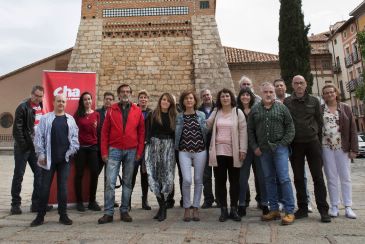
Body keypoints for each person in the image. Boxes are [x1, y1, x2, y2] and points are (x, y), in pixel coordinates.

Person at [284, 75, 331, 223]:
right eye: (296, 83)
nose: (299, 85)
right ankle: (303, 208)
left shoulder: (314, 101)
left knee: (318, 177)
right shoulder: (287, 102)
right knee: (298, 178)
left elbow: (319, 121)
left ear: (306, 84)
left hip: (312, 143)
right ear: (292, 85)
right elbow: (286, 122)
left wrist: (315, 135)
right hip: (295, 144)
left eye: (301, 83)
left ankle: (323, 210)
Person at [248, 82, 296, 225]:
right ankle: (274, 209)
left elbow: (290, 127)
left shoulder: (282, 108)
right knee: (268, 179)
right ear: (261, 93)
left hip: (280, 149)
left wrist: (283, 143)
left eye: (271, 92)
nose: (268, 94)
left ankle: (289, 211)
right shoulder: (255, 110)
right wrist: (255, 146)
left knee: (284, 178)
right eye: (266, 92)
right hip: (263, 150)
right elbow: (250, 130)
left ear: (274, 93)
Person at [98, 84, 145, 224]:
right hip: (114, 150)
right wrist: (104, 152)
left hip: (131, 150)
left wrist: (139, 151)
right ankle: (108, 212)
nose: (125, 94)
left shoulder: (137, 111)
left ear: (131, 94)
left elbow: (142, 133)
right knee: (110, 182)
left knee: (127, 182)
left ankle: (124, 210)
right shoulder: (111, 110)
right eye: (123, 92)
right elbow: (104, 133)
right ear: (118, 95)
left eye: (128, 91)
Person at [30, 94, 79, 226]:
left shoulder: (70, 119)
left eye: (63, 101)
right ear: (53, 102)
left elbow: (75, 139)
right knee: (44, 188)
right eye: (59, 101)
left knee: (62, 188)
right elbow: (38, 137)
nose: (61, 103)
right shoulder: (46, 118)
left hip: (64, 160)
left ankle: (63, 216)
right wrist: (41, 155)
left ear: (66, 103)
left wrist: (70, 152)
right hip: (48, 160)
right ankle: (40, 216)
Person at [206, 88, 247, 222]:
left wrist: (243, 150)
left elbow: (243, 132)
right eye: (222, 96)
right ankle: (223, 209)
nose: (225, 98)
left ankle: (234, 209)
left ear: (231, 98)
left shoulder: (237, 112)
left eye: (227, 96)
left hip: (234, 152)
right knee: (220, 182)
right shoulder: (216, 111)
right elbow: (207, 125)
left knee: (234, 182)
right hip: (218, 152)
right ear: (219, 99)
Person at [11, 85, 52, 214]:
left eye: (41, 96)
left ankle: (36, 204)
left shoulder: (41, 107)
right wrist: (25, 146)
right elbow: (17, 130)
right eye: (36, 96)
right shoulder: (22, 107)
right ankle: (15, 204)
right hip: (23, 148)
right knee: (19, 175)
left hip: (36, 149)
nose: (38, 99)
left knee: (39, 175)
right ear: (31, 94)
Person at [273, 78, 313, 212]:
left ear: (286, 87)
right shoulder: (271, 102)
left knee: (300, 174)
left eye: (281, 85)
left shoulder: (292, 99)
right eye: (276, 86)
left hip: (296, 141)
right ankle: (283, 201)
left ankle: (306, 201)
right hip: (281, 143)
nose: (279, 88)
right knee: (281, 175)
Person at [321, 84, 358, 219]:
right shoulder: (320, 109)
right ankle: (334, 206)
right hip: (326, 147)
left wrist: (354, 149)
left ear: (336, 93)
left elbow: (353, 129)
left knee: (345, 177)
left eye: (331, 92)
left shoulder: (346, 108)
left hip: (342, 147)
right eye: (326, 93)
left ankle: (348, 207)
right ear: (323, 95)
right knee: (331, 177)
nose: (329, 94)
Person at [176, 90, 208, 221]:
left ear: (195, 101)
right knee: (187, 180)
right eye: (186, 99)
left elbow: (206, 131)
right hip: (184, 151)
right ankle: (186, 207)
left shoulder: (201, 115)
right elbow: (176, 134)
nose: (189, 100)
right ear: (183, 102)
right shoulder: (179, 117)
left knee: (198, 180)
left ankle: (195, 208)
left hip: (200, 151)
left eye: (191, 98)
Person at [145, 93, 177, 221]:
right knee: (154, 177)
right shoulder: (152, 114)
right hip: (154, 147)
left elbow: (176, 134)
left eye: (168, 101)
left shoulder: (175, 116)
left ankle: (163, 206)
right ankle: (162, 207)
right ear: (160, 101)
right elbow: (148, 132)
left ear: (171, 104)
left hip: (168, 148)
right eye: (163, 99)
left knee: (167, 178)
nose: (165, 102)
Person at [236, 87, 268, 217]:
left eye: (247, 95)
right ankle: (242, 204)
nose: (245, 97)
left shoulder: (257, 109)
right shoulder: (236, 111)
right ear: (239, 97)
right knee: (242, 178)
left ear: (251, 97)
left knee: (262, 177)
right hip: (243, 148)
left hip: (257, 148)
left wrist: (260, 146)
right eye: (243, 95)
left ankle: (264, 203)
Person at [74, 92, 101, 212]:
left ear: (92, 100)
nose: (88, 101)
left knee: (95, 173)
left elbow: (98, 131)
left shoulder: (96, 114)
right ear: (82, 102)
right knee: (79, 174)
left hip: (93, 148)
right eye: (85, 99)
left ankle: (92, 201)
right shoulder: (78, 115)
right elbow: (73, 131)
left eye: (89, 99)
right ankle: (79, 202)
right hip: (81, 148)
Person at [96, 92, 119, 207]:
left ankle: (110, 200)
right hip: (99, 149)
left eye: (110, 99)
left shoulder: (116, 113)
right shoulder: (97, 113)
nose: (108, 101)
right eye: (106, 99)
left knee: (110, 177)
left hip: (113, 149)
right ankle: (92, 200)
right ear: (103, 100)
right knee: (95, 174)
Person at [131, 90, 152, 210]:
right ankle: (127, 200)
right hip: (134, 147)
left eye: (145, 97)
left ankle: (145, 200)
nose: (143, 99)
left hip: (146, 148)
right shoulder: (133, 111)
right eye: (141, 97)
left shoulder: (151, 113)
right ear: (138, 100)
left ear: (148, 100)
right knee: (131, 174)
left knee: (145, 175)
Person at [198, 89, 219, 209]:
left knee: (218, 174)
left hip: (217, 145)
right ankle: (208, 199)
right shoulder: (198, 111)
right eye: (204, 95)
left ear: (212, 95)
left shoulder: (219, 108)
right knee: (206, 175)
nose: (207, 97)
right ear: (201, 98)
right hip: (203, 146)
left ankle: (220, 199)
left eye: (208, 94)